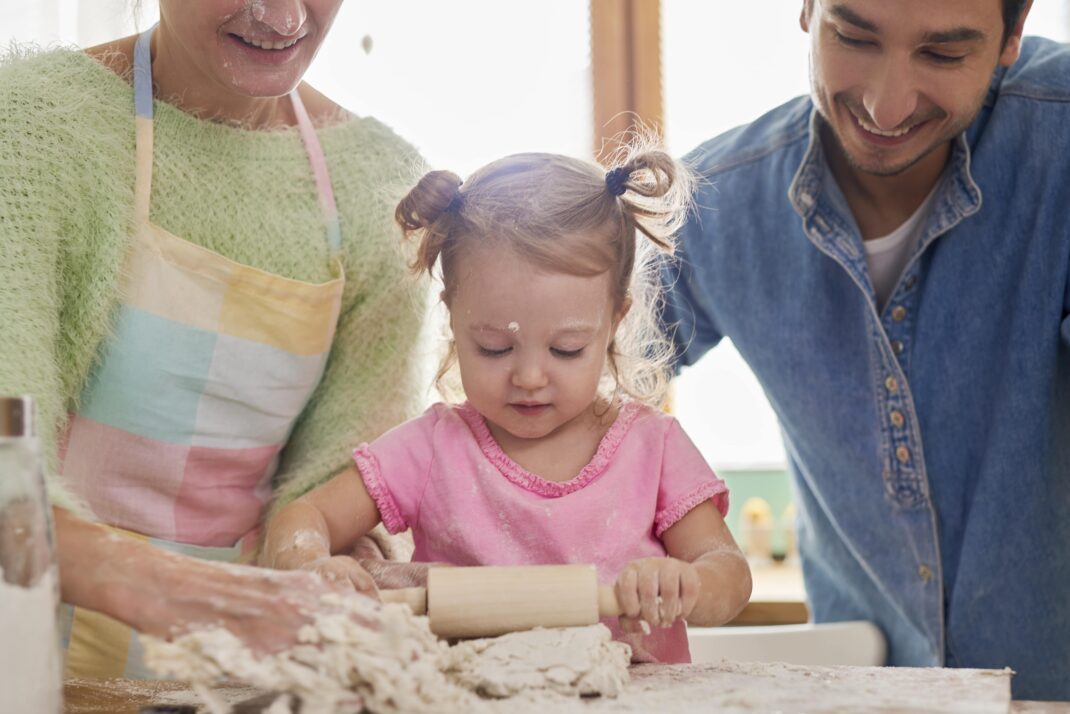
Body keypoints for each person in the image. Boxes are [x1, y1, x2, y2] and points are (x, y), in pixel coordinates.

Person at [0, 0, 430, 678]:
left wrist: (329, 560)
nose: (284, 16)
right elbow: (4, 476)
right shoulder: (33, 125)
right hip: (30, 661)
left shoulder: (382, 189)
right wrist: (197, 595)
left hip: (244, 675)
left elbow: (340, 481)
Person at [662, 0, 1068, 700]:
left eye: (942, 54)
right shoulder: (715, 205)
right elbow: (554, 392)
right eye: (853, 37)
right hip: (862, 694)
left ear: (1013, 31)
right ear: (807, 9)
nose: (887, 104)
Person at [259, 148, 753, 663]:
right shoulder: (433, 449)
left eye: (567, 349)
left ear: (614, 319)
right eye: (494, 346)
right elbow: (305, 514)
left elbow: (730, 576)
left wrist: (684, 584)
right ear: (452, 315)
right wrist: (312, 563)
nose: (530, 377)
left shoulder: (654, 448)